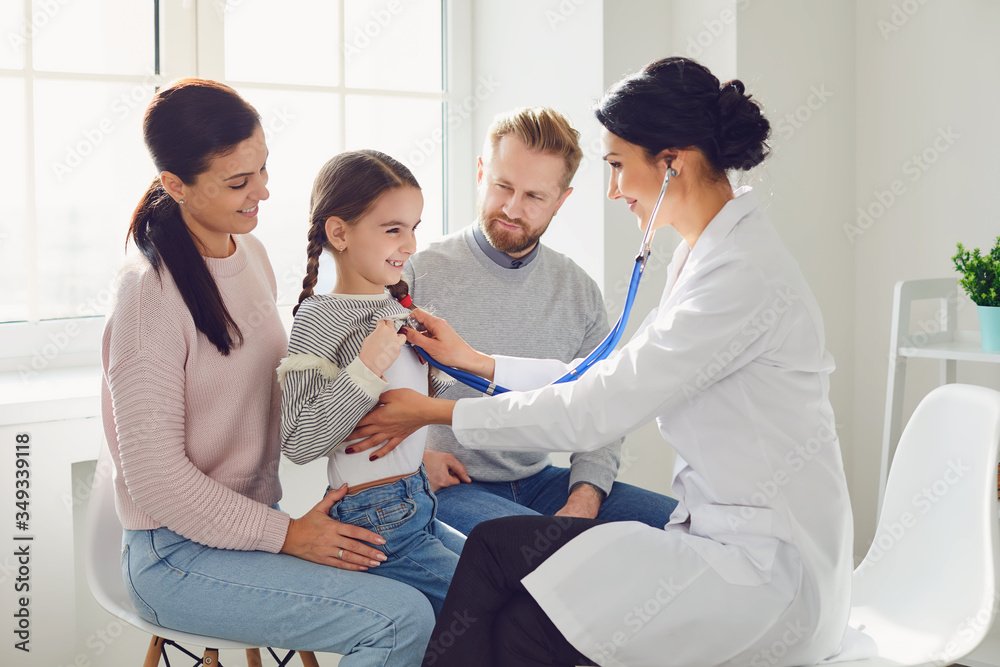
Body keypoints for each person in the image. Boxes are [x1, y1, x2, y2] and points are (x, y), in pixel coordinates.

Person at [349, 57, 853, 667]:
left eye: (617, 166)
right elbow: (602, 381)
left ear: (671, 163)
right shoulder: (710, 256)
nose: (613, 190)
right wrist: (479, 364)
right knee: (513, 581)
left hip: (768, 571)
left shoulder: (738, 277)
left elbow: (599, 407)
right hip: (733, 543)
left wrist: (434, 412)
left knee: (514, 582)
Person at [102, 79, 434, 665]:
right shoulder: (147, 297)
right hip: (174, 557)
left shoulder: (247, 253)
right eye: (238, 182)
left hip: (254, 529)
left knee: (459, 593)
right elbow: (156, 481)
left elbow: (297, 403)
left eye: (262, 169)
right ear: (175, 185)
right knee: (399, 620)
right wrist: (287, 536)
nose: (264, 192)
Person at [402, 106, 677, 536]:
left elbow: (601, 407)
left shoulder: (577, 290)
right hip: (449, 483)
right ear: (481, 173)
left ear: (561, 200)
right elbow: (366, 392)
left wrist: (585, 494)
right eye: (502, 186)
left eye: (533, 197)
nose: (512, 208)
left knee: (681, 527)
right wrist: (414, 458)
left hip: (541, 482)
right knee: (545, 553)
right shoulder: (415, 273)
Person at [278, 150, 463, 615]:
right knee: (493, 606)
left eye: (415, 227)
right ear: (339, 233)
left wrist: (437, 365)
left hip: (418, 500)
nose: (412, 244)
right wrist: (363, 369)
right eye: (393, 229)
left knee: (511, 584)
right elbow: (299, 441)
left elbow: (403, 412)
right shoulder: (319, 318)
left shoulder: (397, 309)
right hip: (374, 517)